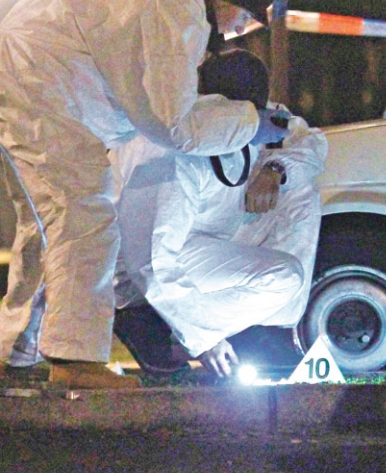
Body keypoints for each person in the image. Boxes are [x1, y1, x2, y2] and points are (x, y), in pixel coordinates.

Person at [0, 0, 286, 388]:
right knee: (85, 219)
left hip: (30, 77)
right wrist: (250, 124)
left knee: (46, 223)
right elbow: (174, 124)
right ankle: (75, 363)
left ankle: (14, 350)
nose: (241, 32)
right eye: (247, 19)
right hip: (48, 89)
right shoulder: (179, 11)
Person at [111, 49, 328, 378]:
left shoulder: (243, 123)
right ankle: (159, 330)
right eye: (246, 116)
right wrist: (204, 340)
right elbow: (151, 261)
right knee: (284, 277)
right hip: (135, 272)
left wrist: (275, 169)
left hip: (200, 241)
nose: (253, 123)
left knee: (300, 192)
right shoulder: (172, 149)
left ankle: (261, 330)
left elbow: (309, 142)